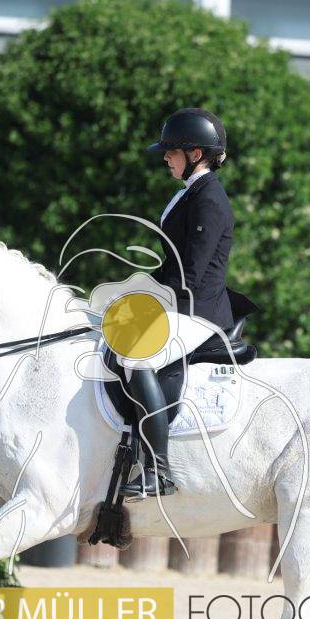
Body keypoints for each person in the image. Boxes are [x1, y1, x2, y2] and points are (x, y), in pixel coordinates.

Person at [122, 108, 234, 498]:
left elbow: (191, 273)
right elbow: (174, 264)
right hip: (180, 302)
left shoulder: (209, 199)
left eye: (171, 152)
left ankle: (157, 470)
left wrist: (151, 300)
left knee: (135, 358)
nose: (166, 158)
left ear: (195, 154)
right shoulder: (190, 193)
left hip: (197, 311)